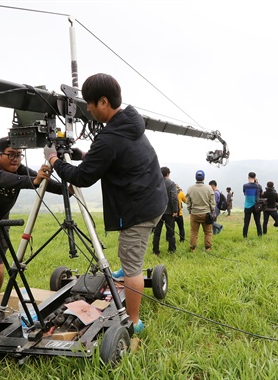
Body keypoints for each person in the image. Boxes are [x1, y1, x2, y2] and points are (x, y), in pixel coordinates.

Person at [44, 73, 167, 333]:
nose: (87, 109)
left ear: (103, 102)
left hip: (139, 209)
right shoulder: (127, 123)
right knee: (130, 255)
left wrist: (54, 160)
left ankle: (133, 323)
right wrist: (82, 155)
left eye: (89, 103)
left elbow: (82, 177)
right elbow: (112, 155)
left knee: (133, 267)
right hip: (154, 200)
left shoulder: (110, 137)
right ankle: (127, 268)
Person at [0, 136, 63, 306]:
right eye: (11, 155)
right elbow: (1, 178)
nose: (15, 160)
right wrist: (32, 181)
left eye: (19, 155)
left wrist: (67, 190)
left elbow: (41, 180)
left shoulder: (20, 170)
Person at [186, 170, 215, 251]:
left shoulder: (190, 188)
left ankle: (193, 249)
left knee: (194, 232)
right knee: (208, 232)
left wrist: (190, 210)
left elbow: (188, 202)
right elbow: (212, 202)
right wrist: (212, 211)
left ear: (195, 178)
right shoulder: (209, 188)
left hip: (194, 213)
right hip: (206, 214)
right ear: (203, 178)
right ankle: (208, 248)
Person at [152, 167, 178, 255]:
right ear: (168, 173)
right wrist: (175, 210)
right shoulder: (171, 184)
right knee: (170, 232)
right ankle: (171, 250)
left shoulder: (155, 183)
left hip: (157, 212)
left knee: (157, 233)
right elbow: (174, 197)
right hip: (169, 212)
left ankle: (155, 250)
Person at [243, 172, 263, 238]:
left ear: (248, 177)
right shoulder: (259, 186)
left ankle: (245, 236)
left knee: (246, 222)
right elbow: (261, 194)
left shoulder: (245, 185)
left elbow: (244, 193)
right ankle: (260, 235)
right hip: (256, 206)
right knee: (258, 222)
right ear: (255, 177)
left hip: (247, 205)